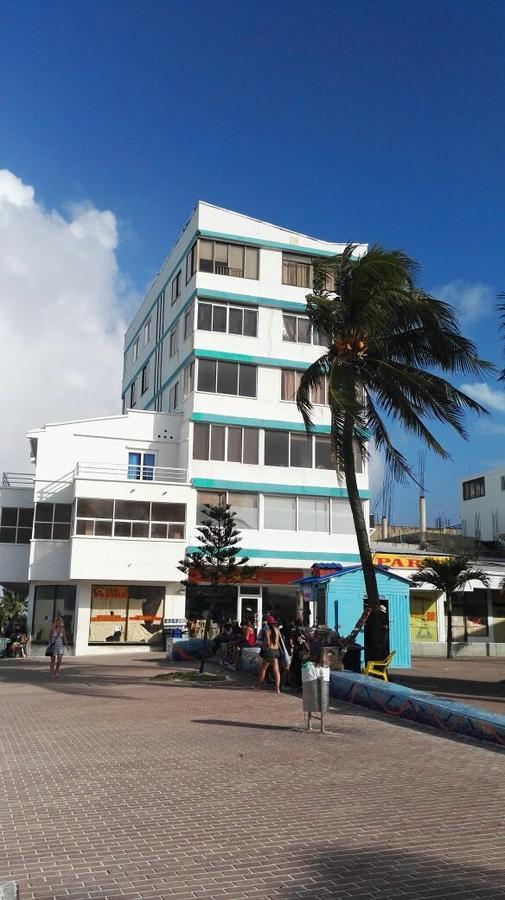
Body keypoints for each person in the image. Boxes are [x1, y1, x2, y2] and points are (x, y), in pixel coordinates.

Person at [256, 615, 281, 693]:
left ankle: (259, 686)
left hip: (269, 651)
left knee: (263, 669)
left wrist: (261, 645)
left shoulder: (267, 631)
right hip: (276, 651)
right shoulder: (277, 630)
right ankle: (277, 688)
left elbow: (267, 642)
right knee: (276, 670)